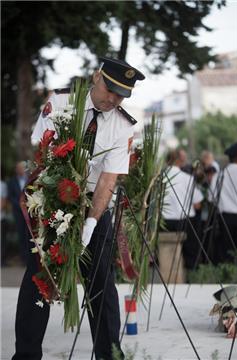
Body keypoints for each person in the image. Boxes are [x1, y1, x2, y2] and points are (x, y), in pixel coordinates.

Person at [12, 57, 145, 360]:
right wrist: (57, 204)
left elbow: (107, 180)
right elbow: (41, 154)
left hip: (94, 207)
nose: (113, 99)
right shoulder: (60, 103)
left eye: (122, 94)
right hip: (52, 202)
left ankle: (110, 354)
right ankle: (26, 355)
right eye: (110, 89)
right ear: (97, 77)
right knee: (39, 278)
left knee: (101, 283)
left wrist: (91, 224)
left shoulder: (123, 125)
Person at [162, 148, 203, 270]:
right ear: (179, 161)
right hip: (185, 222)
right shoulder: (187, 178)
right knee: (190, 253)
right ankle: (191, 275)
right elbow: (197, 204)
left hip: (164, 224)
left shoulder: (159, 178)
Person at [210, 141, 237, 263]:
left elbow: (212, 199)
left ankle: (228, 278)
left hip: (224, 219)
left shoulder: (219, 175)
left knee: (228, 254)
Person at [7, 161, 30, 264]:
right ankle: (24, 259)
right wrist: (20, 205)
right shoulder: (11, 182)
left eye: (22, 168)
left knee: (29, 234)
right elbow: (10, 197)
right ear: (16, 170)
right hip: (18, 212)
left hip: (29, 211)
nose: (20, 170)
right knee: (21, 235)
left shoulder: (29, 179)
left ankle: (31, 258)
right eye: (18, 168)